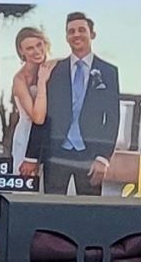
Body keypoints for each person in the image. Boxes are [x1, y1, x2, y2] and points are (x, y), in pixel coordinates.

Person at [39, 12, 120, 194]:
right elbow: (44, 115)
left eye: (81, 30)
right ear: (66, 37)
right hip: (56, 154)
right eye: (71, 31)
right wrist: (37, 156)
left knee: (89, 208)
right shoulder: (54, 70)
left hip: (90, 155)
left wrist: (103, 158)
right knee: (51, 206)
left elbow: (113, 118)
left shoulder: (108, 72)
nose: (76, 35)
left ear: (92, 34)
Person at [7, 25, 50, 177]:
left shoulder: (53, 66)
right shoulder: (20, 80)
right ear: (21, 52)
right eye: (30, 48)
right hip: (26, 137)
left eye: (39, 45)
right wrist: (42, 82)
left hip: (50, 138)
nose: (37, 51)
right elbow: (37, 118)